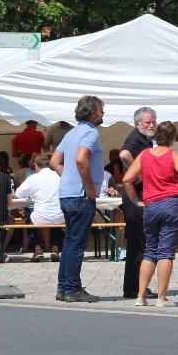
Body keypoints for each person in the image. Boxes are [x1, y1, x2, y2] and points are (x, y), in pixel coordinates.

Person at [123, 121, 178, 306]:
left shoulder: (144, 154)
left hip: (151, 205)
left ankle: (140, 295)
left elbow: (127, 179)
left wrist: (135, 200)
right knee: (166, 252)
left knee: (150, 250)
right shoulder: (173, 155)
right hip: (172, 204)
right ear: (173, 138)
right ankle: (161, 297)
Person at [49, 95, 106, 303]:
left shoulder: (71, 133)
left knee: (70, 241)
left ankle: (63, 287)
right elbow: (81, 159)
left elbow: (55, 161)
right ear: (92, 112)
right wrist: (89, 186)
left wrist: (69, 175)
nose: (103, 113)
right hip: (81, 194)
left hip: (67, 192)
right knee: (77, 243)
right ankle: (72, 287)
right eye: (100, 109)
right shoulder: (90, 132)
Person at [118, 106, 157, 298]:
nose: (151, 125)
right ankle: (134, 287)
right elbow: (124, 154)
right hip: (134, 194)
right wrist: (138, 173)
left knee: (140, 240)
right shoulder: (135, 138)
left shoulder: (145, 139)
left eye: (153, 122)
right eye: (147, 122)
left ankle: (135, 285)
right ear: (138, 123)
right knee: (139, 240)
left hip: (137, 193)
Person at [15, 153, 63, 261]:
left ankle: (37, 250)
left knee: (28, 219)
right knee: (58, 222)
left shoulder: (33, 178)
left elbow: (18, 194)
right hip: (59, 216)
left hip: (40, 216)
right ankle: (55, 248)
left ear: (36, 166)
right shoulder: (58, 176)